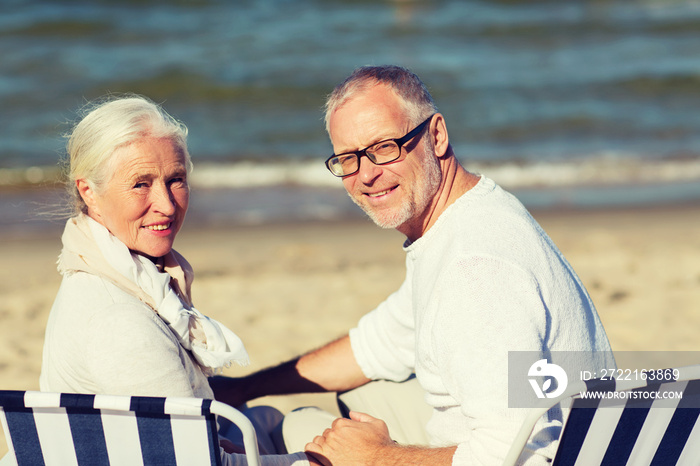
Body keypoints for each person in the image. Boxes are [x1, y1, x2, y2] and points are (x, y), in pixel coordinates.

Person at [211, 65, 616, 465]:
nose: (367, 174)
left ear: (436, 135)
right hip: (530, 439)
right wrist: (243, 387)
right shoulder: (466, 217)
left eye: (384, 147)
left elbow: (517, 455)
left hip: (525, 455)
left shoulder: (475, 269)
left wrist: (377, 456)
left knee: (293, 430)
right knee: (358, 396)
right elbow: (379, 343)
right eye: (348, 158)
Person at [37, 95, 316, 466]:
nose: (167, 205)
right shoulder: (118, 321)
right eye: (141, 184)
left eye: (176, 180)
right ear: (90, 191)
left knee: (277, 418)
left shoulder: (105, 273)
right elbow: (197, 462)